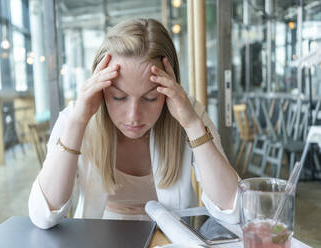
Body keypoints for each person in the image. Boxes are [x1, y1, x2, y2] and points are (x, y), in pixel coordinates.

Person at [28, 18, 239, 229]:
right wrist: (77, 123)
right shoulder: (77, 117)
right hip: (101, 234)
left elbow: (234, 209)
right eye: (119, 97)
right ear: (101, 88)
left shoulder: (187, 111)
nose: (133, 116)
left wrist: (192, 125)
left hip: (172, 236)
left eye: (150, 98)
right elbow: (43, 216)